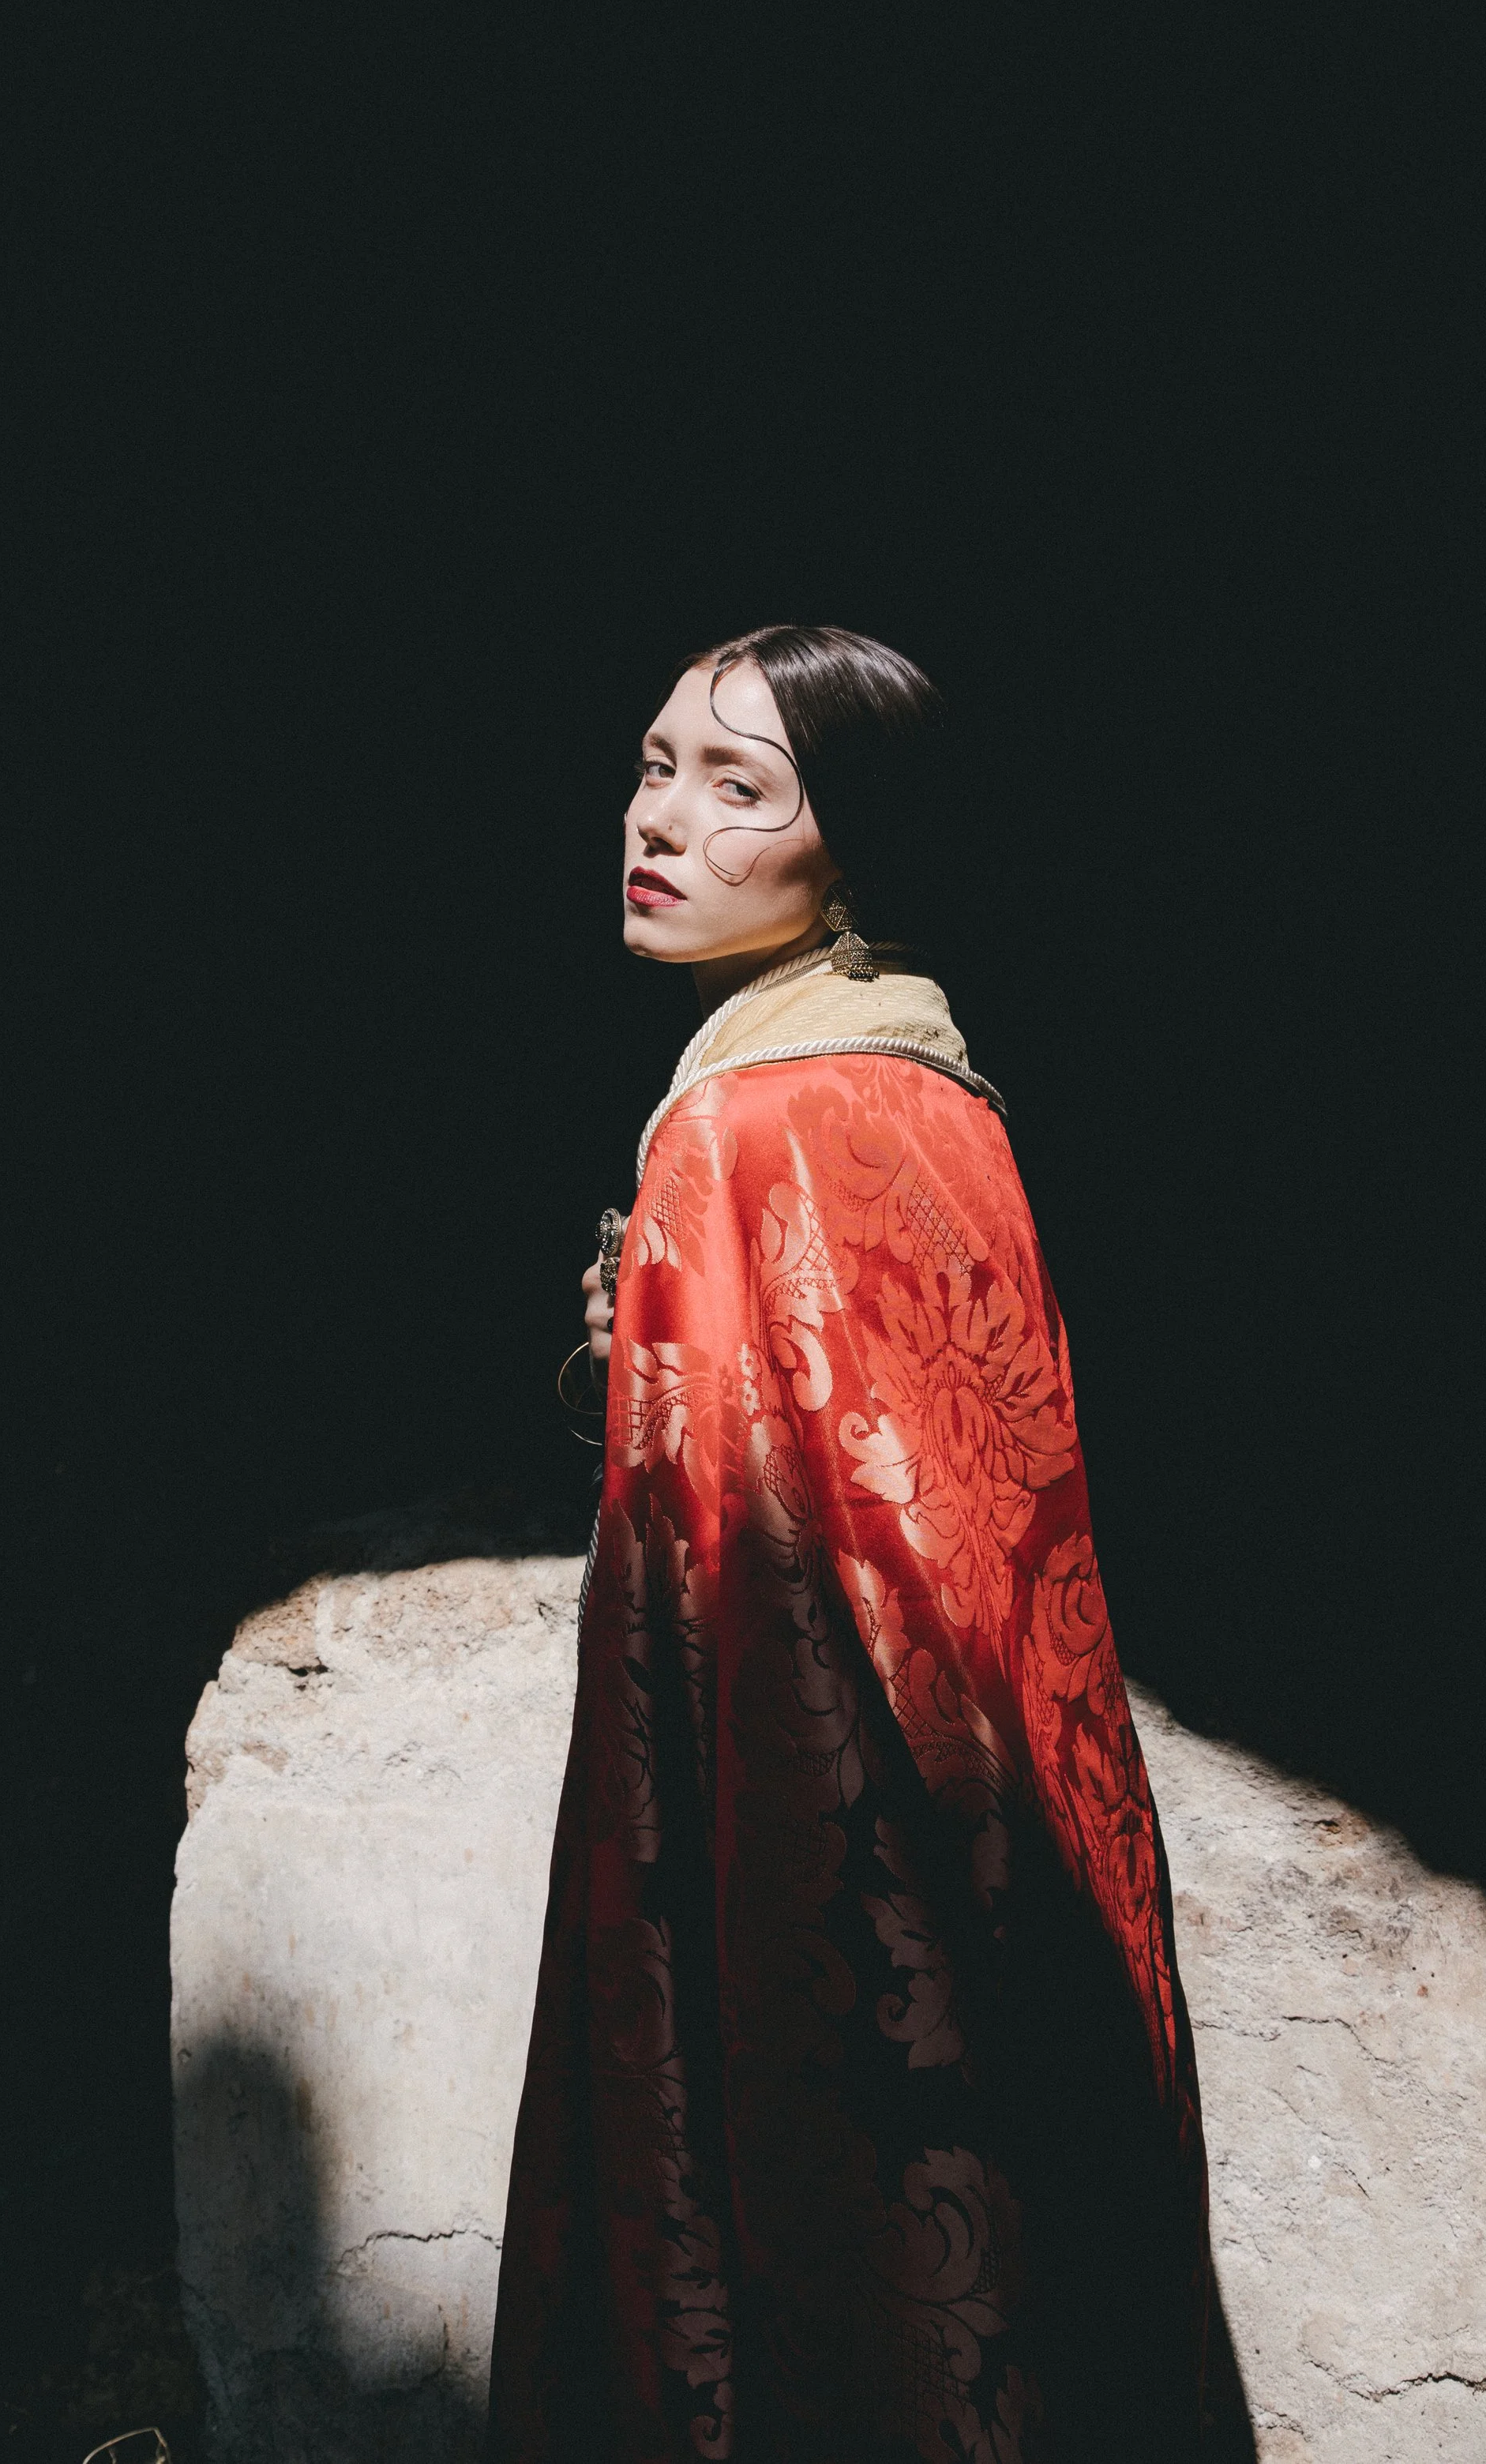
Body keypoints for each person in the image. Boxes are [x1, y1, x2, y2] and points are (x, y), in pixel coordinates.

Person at [487, 626, 1252, 2463]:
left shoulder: (763, 1116)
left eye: (737, 787)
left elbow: (814, 1552)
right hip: (1005, 1824)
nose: (659, 820)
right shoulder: (915, 1077)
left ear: (858, 840)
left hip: (823, 1843)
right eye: (655, 763)